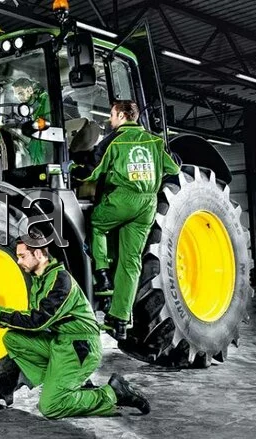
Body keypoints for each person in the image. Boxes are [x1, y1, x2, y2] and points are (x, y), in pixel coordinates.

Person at [0, 231, 150, 419]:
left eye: (22, 256)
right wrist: (2, 319)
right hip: (60, 341)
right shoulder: (40, 280)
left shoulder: (60, 281)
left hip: (81, 346)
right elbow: (33, 318)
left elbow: (37, 321)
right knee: (13, 339)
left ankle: (113, 393)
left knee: (50, 407)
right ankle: (66, 384)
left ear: (38, 254)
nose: (18, 261)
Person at [73, 101, 180, 340]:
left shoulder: (114, 140)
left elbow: (91, 172)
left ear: (122, 115)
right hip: (148, 204)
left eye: (112, 115)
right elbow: (174, 168)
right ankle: (120, 320)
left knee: (97, 226)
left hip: (122, 199)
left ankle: (102, 274)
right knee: (131, 262)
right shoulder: (155, 141)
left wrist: (72, 169)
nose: (110, 120)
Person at [11, 77, 52, 165]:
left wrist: (28, 127)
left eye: (21, 93)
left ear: (29, 90)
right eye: (16, 96)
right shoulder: (27, 107)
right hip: (34, 143)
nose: (19, 98)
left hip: (45, 144)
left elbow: (47, 123)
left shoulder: (45, 100)